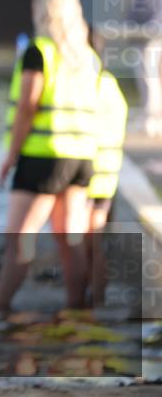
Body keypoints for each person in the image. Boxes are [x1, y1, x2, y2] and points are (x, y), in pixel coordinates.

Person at [0, 0, 100, 312]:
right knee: (70, 238)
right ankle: (77, 309)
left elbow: (28, 105)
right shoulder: (87, 57)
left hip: (43, 156)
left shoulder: (38, 51)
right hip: (81, 157)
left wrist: (11, 156)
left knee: (19, 239)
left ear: (43, 12)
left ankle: (0, 309)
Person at [84, 67, 128, 306]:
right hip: (108, 174)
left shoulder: (85, 82)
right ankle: (97, 299)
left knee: (85, 241)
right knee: (96, 241)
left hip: (88, 173)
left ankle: (85, 301)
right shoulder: (110, 84)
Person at [128, 0, 162, 136]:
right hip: (141, 33)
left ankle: (153, 118)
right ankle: (150, 114)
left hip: (153, 34)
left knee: (150, 74)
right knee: (144, 73)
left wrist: (152, 27)